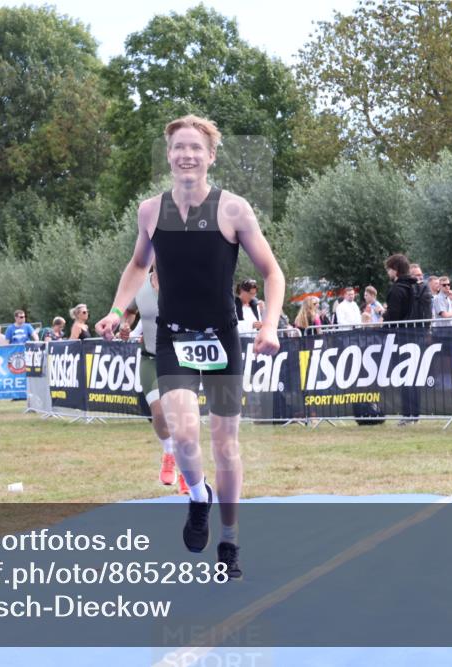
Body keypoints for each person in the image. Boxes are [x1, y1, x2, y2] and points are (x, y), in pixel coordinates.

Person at [94, 114, 285, 580]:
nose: (187, 155)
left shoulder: (234, 210)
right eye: (179, 147)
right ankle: (199, 497)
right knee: (182, 434)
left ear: (211, 156)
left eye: (196, 148)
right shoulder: (149, 211)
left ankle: (229, 540)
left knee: (225, 445)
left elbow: (272, 273)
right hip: (174, 337)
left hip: (221, 338)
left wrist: (269, 326)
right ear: (168, 155)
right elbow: (137, 266)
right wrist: (116, 311)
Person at [124, 264, 189, 494]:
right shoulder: (140, 285)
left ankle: (187, 474)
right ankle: (169, 452)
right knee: (159, 413)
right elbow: (129, 311)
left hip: (180, 359)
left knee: (181, 419)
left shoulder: (183, 282)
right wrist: (125, 324)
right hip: (150, 360)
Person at [383, 254, 420, 424]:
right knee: (413, 376)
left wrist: (384, 316)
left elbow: (393, 316)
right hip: (415, 335)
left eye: (389, 269)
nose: (388, 273)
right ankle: (414, 413)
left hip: (400, 338)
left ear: (395, 270)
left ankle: (408, 414)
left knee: (404, 376)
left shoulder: (397, 289)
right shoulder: (414, 287)